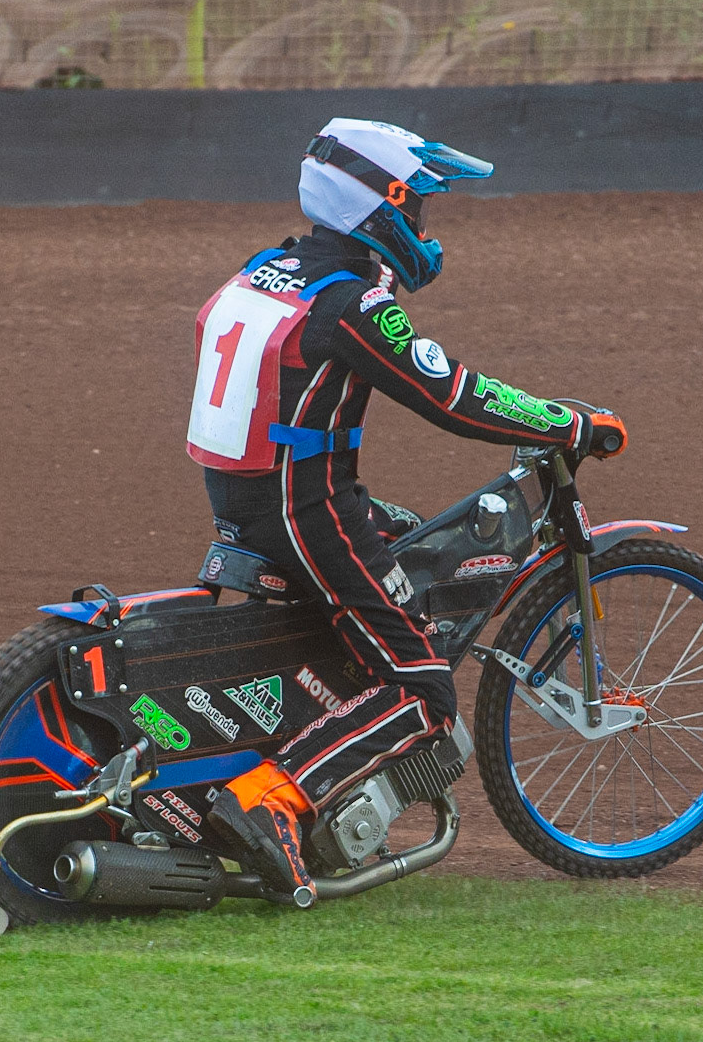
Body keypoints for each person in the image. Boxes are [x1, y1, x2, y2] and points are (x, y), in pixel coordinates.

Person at [184, 118, 628, 901]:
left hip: (254, 495)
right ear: (377, 207)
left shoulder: (269, 268)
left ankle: (321, 722)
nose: (423, 225)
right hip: (304, 507)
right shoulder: (351, 303)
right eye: (415, 206)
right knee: (425, 691)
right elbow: (451, 396)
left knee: (408, 543)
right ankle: (270, 800)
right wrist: (566, 423)